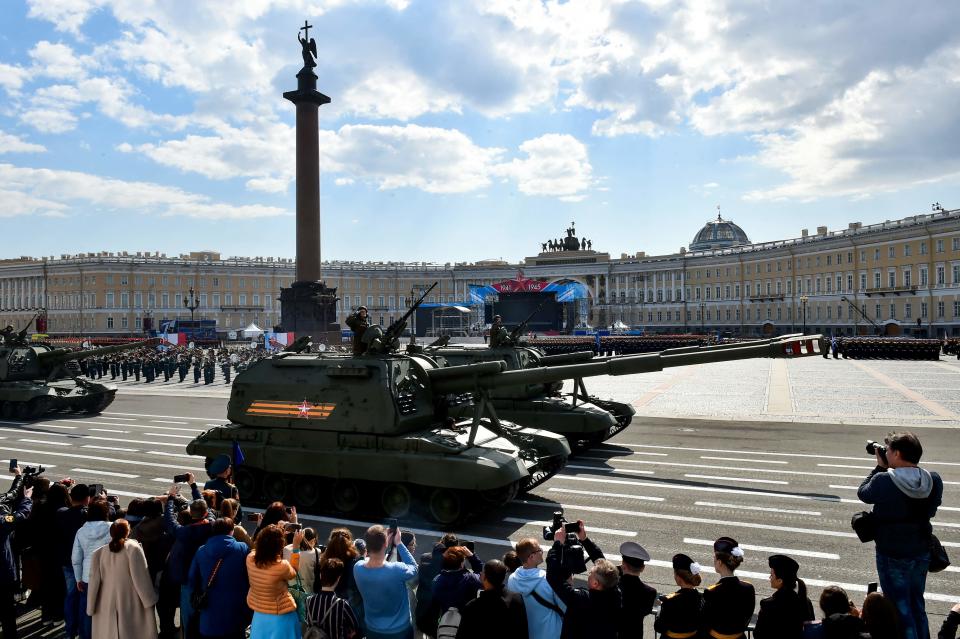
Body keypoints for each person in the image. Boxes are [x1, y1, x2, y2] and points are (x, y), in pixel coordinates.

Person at [857, 431, 943, 639]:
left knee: (900, 608)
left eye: (888, 450)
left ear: (896, 453)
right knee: (917, 604)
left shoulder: (884, 480)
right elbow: (931, 510)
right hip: (921, 551)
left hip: (891, 554)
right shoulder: (933, 479)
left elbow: (863, 493)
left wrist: (880, 467)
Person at [544, 520, 621, 639]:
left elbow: (553, 576)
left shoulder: (582, 599)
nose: (589, 573)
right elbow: (603, 564)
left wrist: (557, 544)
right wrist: (584, 539)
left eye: (591, 573)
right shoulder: (615, 593)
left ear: (595, 583)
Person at [87, 519, 158, 639]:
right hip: (130, 600)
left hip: (105, 601)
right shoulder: (133, 548)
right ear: (128, 531)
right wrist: (149, 600)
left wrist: (91, 606)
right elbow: (141, 578)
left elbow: (93, 582)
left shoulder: (99, 553)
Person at [164, 481, 214, 638]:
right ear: (205, 513)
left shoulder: (184, 533)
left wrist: (171, 498)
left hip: (188, 580)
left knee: (188, 618)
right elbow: (205, 507)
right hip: (208, 577)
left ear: (191, 513)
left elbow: (170, 522)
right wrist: (193, 485)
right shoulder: (212, 524)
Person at [189, 517, 251, 639]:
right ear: (231, 531)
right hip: (235, 614)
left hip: (209, 616)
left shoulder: (201, 551)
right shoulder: (242, 548)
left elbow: (192, 579)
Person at [353, 524, 418, 639]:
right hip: (400, 631)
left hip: (372, 629)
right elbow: (413, 567)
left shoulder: (358, 568)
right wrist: (399, 543)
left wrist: (383, 541)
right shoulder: (397, 569)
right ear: (385, 544)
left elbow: (372, 557)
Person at [247, 524, 304, 638]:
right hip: (281, 614)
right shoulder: (281, 566)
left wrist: (273, 530)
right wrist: (296, 547)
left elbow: (260, 548)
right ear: (279, 546)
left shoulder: (250, 558)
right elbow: (293, 572)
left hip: (259, 613)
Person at [508, 537, 566, 639]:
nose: (542, 551)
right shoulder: (548, 580)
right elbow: (565, 607)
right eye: (539, 550)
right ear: (531, 557)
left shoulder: (512, 579)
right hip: (552, 634)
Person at [456, 559, 527, 639]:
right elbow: (523, 631)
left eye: (483, 572)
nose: (481, 573)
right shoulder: (516, 598)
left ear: (484, 577)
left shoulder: (472, 607)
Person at [71, 500, 112, 639]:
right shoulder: (112, 528)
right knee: (108, 609)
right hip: (109, 575)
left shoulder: (81, 531)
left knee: (87, 610)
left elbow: (76, 558)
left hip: (87, 576)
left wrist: (78, 579)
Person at [0, 468, 32, 638]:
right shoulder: (2, 521)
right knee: (7, 613)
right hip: (2, 575)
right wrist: (26, 500)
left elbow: (10, 495)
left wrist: (19, 477)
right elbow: (20, 515)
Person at [702, 536, 754, 639]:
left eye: (714, 558)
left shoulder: (711, 592)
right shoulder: (748, 588)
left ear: (719, 562)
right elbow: (748, 617)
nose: (713, 560)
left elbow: (705, 624)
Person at [57, 482, 92, 639]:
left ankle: (70, 631)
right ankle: (84, 632)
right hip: (84, 564)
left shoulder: (61, 513)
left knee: (70, 597)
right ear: (87, 499)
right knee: (84, 600)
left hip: (66, 561)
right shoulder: (87, 515)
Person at [753, 554, 814, 639]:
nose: (769, 577)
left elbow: (758, 634)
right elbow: (810, 629)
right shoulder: (805, 601)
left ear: (780, 581)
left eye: (772, 575)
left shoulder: (768, 604)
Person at [305, 558, 360, 639]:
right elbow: (355, 626)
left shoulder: (308, 600)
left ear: (320, 575)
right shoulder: (342, 604)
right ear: (338, 578)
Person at [654, 553, 703, 639]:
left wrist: (659, 613)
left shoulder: (670, 601)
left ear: (679, 578)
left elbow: (659, 627)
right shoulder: (701, 598)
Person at [617, 541, 657, 638]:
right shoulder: (650, 592)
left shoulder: (613, 585)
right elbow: (646, 611)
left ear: (623, 564)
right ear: (642, 568)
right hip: (634, 634)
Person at [432, 545, 483, 616]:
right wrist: (472, 556)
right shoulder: (471, 579)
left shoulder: (437, 580)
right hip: (466, 620)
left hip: (446, 621)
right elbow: (480, 573)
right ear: (462, 564)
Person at [801, 585, 867, 639]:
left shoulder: (809, 630)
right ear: (847, 606)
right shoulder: (858, 628)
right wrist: (858, 618)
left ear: (822, 606)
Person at [284, 526, 321, 594]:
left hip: (289, 590)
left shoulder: (286, 549)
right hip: (308, 592)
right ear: (314, 540)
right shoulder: (316, 552)